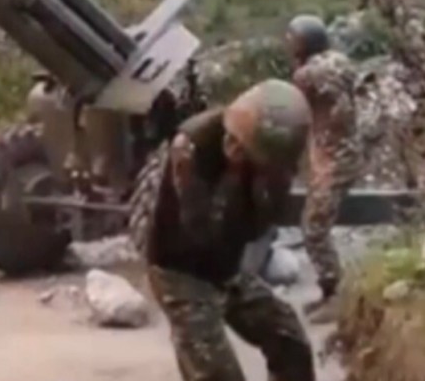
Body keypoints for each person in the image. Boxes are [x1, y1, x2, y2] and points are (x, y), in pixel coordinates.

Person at [129, 79, 315, 381]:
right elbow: (202, 229)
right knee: (215, 372)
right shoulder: (191, 147)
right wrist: (236, 174)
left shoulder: (273, 156)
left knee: (289, 341)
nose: (231, 148)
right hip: (181, 269)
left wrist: (268, 181)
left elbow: (259, 226)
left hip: (224, 264)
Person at [285, 14, 361, 323]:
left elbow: (291, 106)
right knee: (316, 225)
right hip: (345, 154)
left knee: (313, 229)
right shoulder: (340, 63)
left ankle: (336, 295)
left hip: (333, 160)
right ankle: (330, 292)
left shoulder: (308, 75)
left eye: (293, 41)